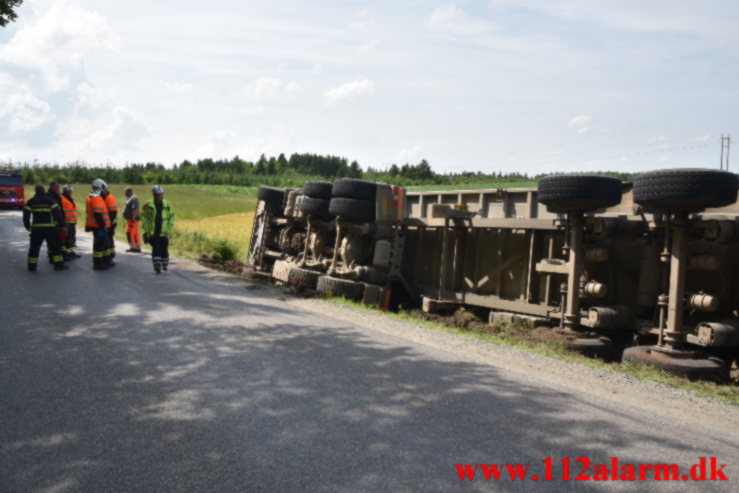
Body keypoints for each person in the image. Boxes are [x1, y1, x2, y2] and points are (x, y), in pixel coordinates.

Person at [23, 185, 68, 271]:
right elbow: (57, 215)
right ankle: (58, 265)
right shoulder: (50, 201)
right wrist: (62, 226)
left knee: (34, 248)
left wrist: (27, 225)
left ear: (36, 191)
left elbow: (26, 214)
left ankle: (32, 266)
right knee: (55, 247)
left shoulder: (31, 201)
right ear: (43, 191)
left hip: (36, 229)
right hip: (49, 229)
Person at [141, 185, 175, 273]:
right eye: (157, 194)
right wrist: (146, 228)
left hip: (164, 233)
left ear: (163, 195)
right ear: (154, 195)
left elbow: (172, 216)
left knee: (164, 250)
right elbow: (143, 216)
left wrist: (169, 227)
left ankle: (164, 264)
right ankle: (157, 266)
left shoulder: (167, 204)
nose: (160, 196)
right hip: (153, 233)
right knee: (156, 249)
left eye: (161, 194)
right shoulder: (147, 205)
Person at [85, 179, 112, 270]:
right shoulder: (96, 198)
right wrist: (103, 225)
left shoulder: (94, 197)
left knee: (104, 244)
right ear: (100, 187)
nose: (105, 191)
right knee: (99, 245)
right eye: (104, 188)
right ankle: (98, 264)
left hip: (97, 226)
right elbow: (97, 213)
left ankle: (105, 261)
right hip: (99, 226)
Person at [60, 185, 81, 260]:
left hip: (72, 222)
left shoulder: (70, 199)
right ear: (65, 191)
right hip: (66, 222)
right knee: (67, 239)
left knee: (72, 238)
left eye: (71, 191)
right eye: (69, 191)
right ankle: (66, 254)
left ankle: (71, 253)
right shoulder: (61, 198)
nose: (70, 192)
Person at [46, 181, 65, 263]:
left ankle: (53, 257)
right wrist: (62, 224)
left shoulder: (56, 196)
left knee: (57, 242)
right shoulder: (50, 197)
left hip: (56, 223)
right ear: (52, 187)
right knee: (55, 243)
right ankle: (56, 260)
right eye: (57, 187)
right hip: (53, 224)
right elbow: (56, 211)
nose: (59, 189)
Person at [100, 183, 118, 260]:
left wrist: (108, 224)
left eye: (102, 190)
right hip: (106, 223)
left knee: (108, 239)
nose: (101, 192)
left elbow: (113, 212)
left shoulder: (110, 198)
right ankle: (110, 254)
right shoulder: (103, 197)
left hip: (110, 223)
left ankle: (110, 255)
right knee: (108, 239)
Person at [122, 187, 141, 253]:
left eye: (125, 192)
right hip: (131, 219)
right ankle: (137, 248)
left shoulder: (134, 198)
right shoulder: (131, 198)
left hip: (133, 219)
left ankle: (133, 247)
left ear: (128, 192)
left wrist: (133, 217)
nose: (124, 193)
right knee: (135, 233)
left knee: (129, 232)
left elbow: (135, 208)